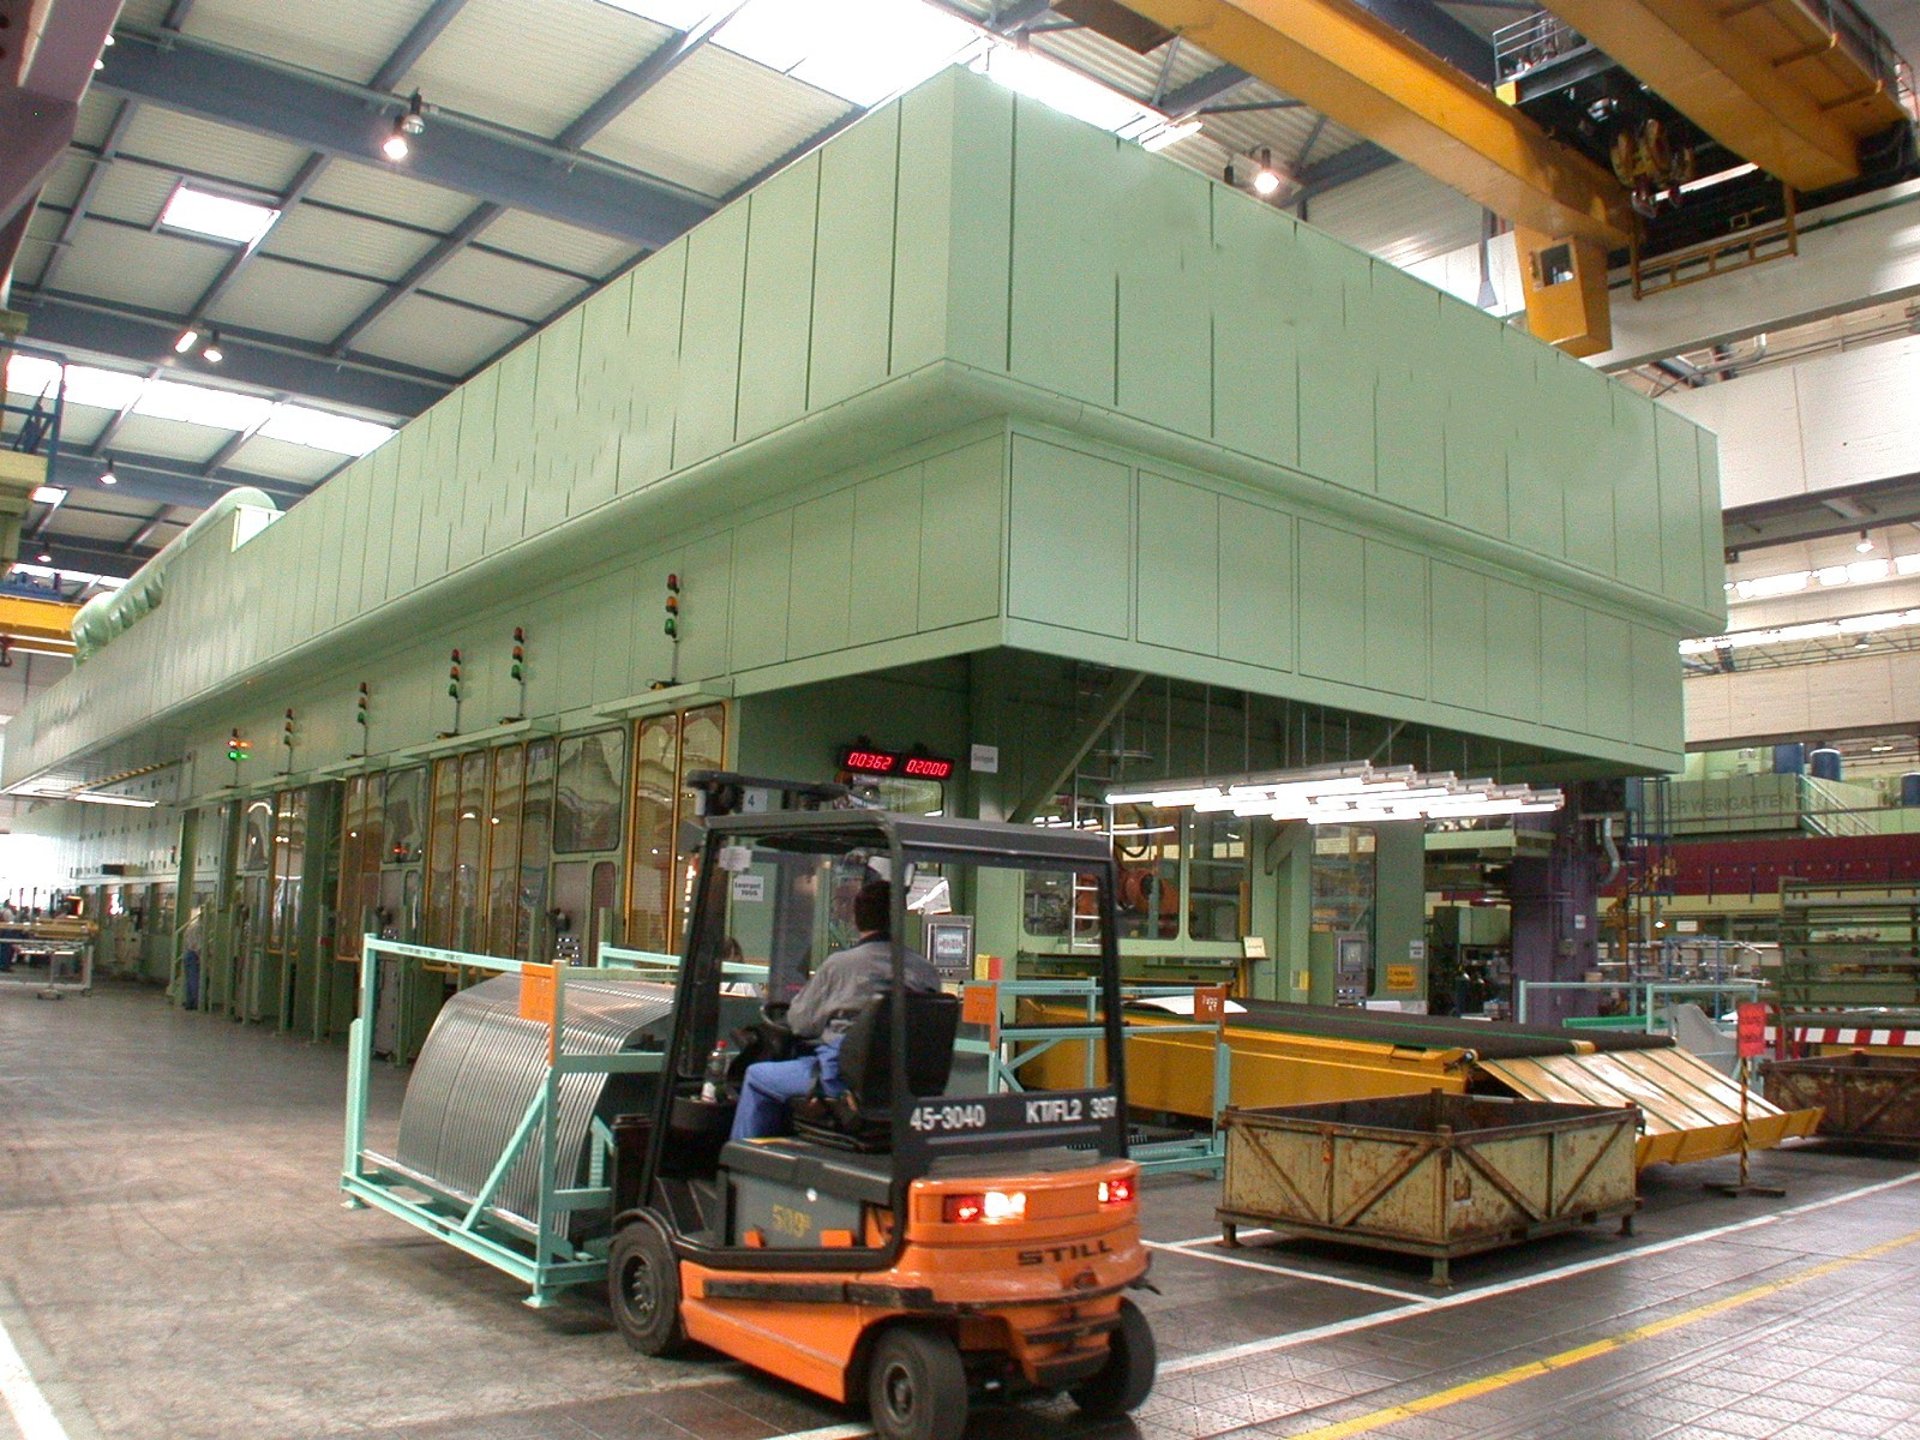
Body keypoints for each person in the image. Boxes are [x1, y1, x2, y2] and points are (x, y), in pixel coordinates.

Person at [728, 879, 938, 1142]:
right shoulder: (925, 970)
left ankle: (740, 1162)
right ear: (898, 918)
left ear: (856, 919)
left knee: (756, 1075)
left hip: (842, 1079)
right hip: (903, 1082)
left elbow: (800, 1023)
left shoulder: (840, 966)